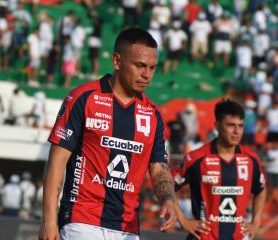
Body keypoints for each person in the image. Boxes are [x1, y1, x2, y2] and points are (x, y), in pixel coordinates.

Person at [39, 28, 176, 240]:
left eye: (152, 68)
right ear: (117, 61)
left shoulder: (153, 114)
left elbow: (158, 168)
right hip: (81, 222)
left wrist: (168, 200)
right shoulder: (83, 99)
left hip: (127, 228)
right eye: (139, 65)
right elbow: (56, 162)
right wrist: (49, 220)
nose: (147, 75)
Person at [172, 99, 267, 240]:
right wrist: (183, 221)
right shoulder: (197, 158)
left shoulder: (251, 159)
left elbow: (261, 189)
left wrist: (256, 222)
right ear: (216, 125)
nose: (236, 131)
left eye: (240, 126)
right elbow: (166, 185)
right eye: (230, 125)